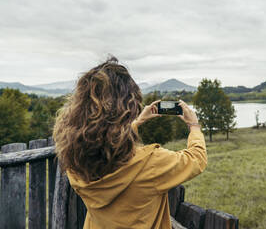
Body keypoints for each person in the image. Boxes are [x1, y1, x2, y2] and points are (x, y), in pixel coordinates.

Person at [52, 56, 207, 229]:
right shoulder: (149, 163)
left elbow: (104, 142)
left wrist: (137, 123)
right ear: (130, 106)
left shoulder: (75, 160)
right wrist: (193, 125)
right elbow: (197, 159)